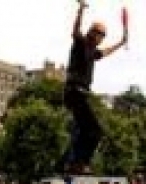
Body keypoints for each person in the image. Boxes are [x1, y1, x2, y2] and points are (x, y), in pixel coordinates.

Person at [61, 0, 128, 174]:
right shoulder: (81, 43)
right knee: (96, 131)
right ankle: (80, 163)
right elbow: (75, 31)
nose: (101, 39)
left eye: (103, 36)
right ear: (93, 33)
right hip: (75, 92)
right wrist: (80, 11)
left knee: (82, 131)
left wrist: (121, 43)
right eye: (100, 35)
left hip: (78, 95)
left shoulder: (93, 52)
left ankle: (71, 163)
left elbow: (106, 52)